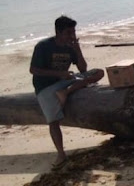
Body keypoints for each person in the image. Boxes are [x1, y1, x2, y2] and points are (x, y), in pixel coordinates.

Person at [29, 16, 105, 169]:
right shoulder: (43, 46)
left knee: (98, 73)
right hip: (46, 86)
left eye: (74, 32)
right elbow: (34, 70)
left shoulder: (71, 46)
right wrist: (58, 74)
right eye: (68, 32)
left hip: (65, 82)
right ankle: (61, 154)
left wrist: (77, 49)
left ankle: (66, 92)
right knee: (53, 121)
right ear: (58, 32)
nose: (72, 36)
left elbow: (83, 69)